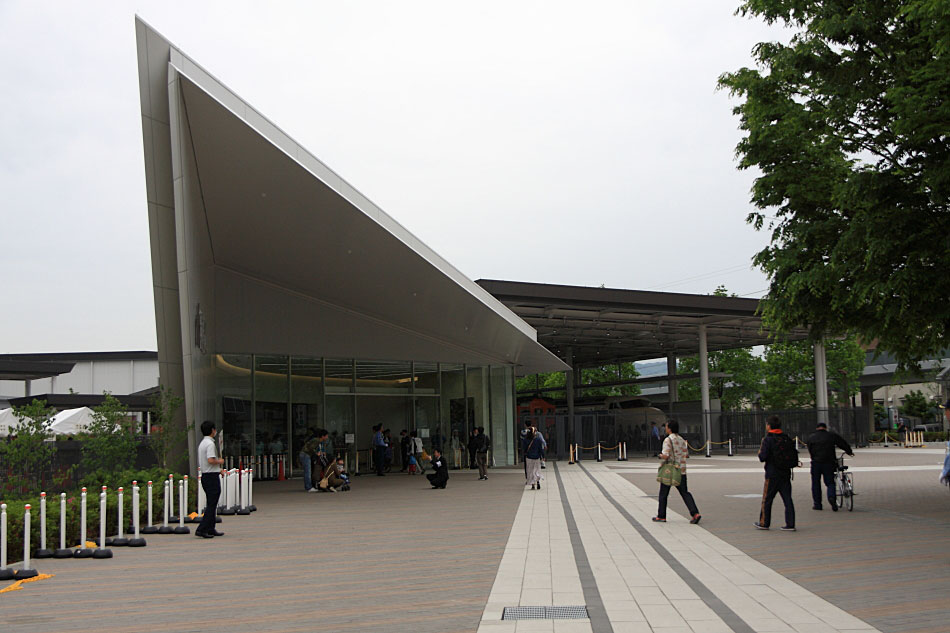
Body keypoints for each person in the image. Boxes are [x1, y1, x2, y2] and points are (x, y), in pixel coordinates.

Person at [651, 419, 701, 524]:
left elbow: (666, 455)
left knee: (663, 494)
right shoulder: (682, 439)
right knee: (685, 492)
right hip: (681, 470)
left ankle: (661, 516)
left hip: (670, 470)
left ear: (669, 428)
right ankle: (695, 513)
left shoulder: (668, 440)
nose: (666, 428)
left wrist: (660, 455)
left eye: (667, 427)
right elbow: (686, 454)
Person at [755, 416, 797, 531]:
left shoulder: (767, 439)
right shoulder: (786, 438)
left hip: (772, 473)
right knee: (788, 499)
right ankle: (790, 523)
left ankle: (764, 522)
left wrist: (760, 453)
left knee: (767, 499)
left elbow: (762, 457)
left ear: (768, 426)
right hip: (785, 472)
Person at [806, 421, 853, 511]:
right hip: (829, 462)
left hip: (816, 463)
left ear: (817, 428)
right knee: (830, 482)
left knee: (815, 483)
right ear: (825, 428)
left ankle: (817, 504)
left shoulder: (811, 437)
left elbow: (810, 449)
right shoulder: (831, 435)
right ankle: (831, 497)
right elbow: (842, 443)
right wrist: (849, 451)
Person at [196, 420, 225, 539]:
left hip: (207, 475)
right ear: (212, 430)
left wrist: (219, 469)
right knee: (212, 504)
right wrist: (220, 461)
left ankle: (211, 528)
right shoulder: (210, 444)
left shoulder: (203, 443)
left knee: (211, 503)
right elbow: (210, 460)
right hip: (211, 477)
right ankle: (202, 529)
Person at [299, 428, 318, 492]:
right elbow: (311, 447)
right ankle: (309, 487)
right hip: (307, 454)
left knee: (308, 471)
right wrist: (316, 453)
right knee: (308, 471)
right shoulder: (315, 439)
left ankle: (309, 486)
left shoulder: (309, 438)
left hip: (305, 454)